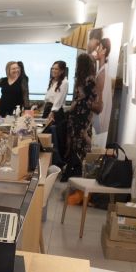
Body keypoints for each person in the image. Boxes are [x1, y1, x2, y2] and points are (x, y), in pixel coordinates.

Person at [62, 53, 103, 191]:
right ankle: (74, 173)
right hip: (77, 116)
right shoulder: (83, 79)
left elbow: (91, 100)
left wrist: (79, 103)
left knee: (80, 144)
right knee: (74, 144)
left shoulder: (89, 80)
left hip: (82, 117)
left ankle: (78, 175)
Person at [43, 60, 69, 166]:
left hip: (56, 113)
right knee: (45, 137)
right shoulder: (52, 81)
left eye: (56, 69)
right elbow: (48, 98)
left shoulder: (64, 82)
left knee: (55, 138)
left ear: (62, 71)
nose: (54, 70)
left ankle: (57, 163)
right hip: (48, 110)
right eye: (52, 68)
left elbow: (58, 100)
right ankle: (47, 163)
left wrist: (52, 112)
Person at [92, 37, 113, 136]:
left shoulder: (102, 72)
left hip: (98, 117)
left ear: (104, 50)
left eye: (98, 48)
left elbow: (98, 98)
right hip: (98, 115)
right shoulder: (101, 70)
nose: (96, 50)